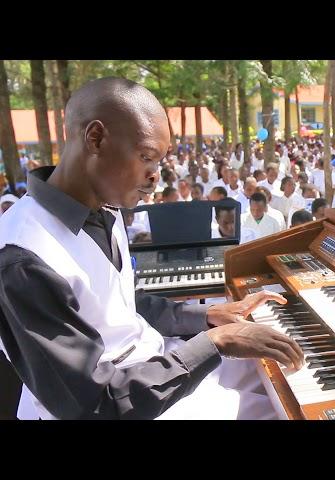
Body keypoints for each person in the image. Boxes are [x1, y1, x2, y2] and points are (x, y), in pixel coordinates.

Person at [0, 78, 303, 420]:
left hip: (151, 367)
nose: (155, 176)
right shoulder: (22, 256)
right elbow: (94, 405)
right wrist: (215, 343)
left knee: (285, 376)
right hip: (123, 400)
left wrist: (206, 316)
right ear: (95, 138)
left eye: (160, 161)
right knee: (276, 411)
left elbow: (122, 304)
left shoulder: (106, 210)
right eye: (147, 157)